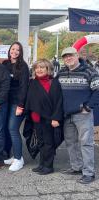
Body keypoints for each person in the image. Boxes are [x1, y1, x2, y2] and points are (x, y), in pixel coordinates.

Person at [58, 47, 98, 184]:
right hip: (67, 114)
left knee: (86, 143)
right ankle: (76, 167)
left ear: (77, 55)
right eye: (65, 57)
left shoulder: (89, 71)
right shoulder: (62, 72)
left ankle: (89, 173)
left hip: (83, 114)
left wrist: (88, 106)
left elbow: (97, 90)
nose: (68, 58)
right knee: (70, 142)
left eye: (70, 56)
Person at [26, 59, 63, 175]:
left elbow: (58, 102)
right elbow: (30, 100)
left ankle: (48, 166)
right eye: (37, 67)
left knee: (49, 143)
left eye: (42, 67)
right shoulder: (32, 82)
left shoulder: (54, 83)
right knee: (41, 142)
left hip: (49, 118)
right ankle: (42, 164)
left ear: (48, 69)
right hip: (36, 118)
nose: (39, 70)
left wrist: (56, 118)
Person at [2, 42, 29, 172]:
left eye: (18, 50)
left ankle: (19, 159)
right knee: (8, 129)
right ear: (9, 50)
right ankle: (16, 156)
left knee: (13, 129)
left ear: (20, 52)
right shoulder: (5, 64)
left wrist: (20, 105)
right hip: (6, 102)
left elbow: (24, 88)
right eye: (13, 49)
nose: (15, 51)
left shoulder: (23, 66)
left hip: (17, 103)